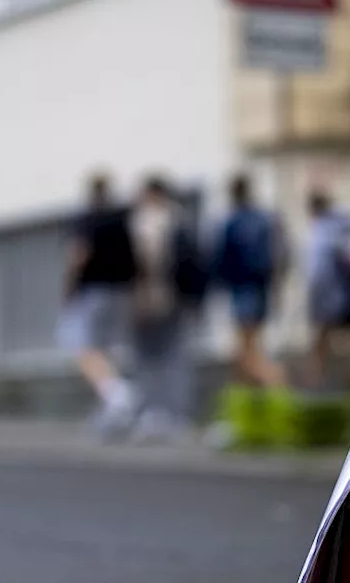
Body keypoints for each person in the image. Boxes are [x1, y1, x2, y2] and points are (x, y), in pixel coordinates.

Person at [126, 175, 207, 444]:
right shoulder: (180, 220)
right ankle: (174, 415)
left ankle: (154, 414)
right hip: (174, 299)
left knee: (150, 358)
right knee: (173, 357)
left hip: (148, 300)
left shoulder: (144, 222)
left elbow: (139, 264)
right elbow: (194, 264)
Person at [59, 172, 139, 440]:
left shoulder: (88, 219)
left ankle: (116, 394)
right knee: (106, 350)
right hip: (120, 291)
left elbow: (78, 254)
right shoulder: (121, 219)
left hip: (92, 291)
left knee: (83, 348)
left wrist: (68, 287)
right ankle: (112, 405)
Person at [212, 173, 287, 389]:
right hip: (261, 287)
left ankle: (276, 381)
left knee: (246, 349)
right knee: (247, 346)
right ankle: (248, 395)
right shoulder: (264, 219)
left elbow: (222, 259)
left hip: (241, 288)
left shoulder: (233, 222)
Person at [302, 188, 350, 391]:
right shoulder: (345, 225)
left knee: (320, 346)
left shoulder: (320, 233)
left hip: (331, 298)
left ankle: (315, 391)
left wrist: (313, 304)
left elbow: (318, 274)